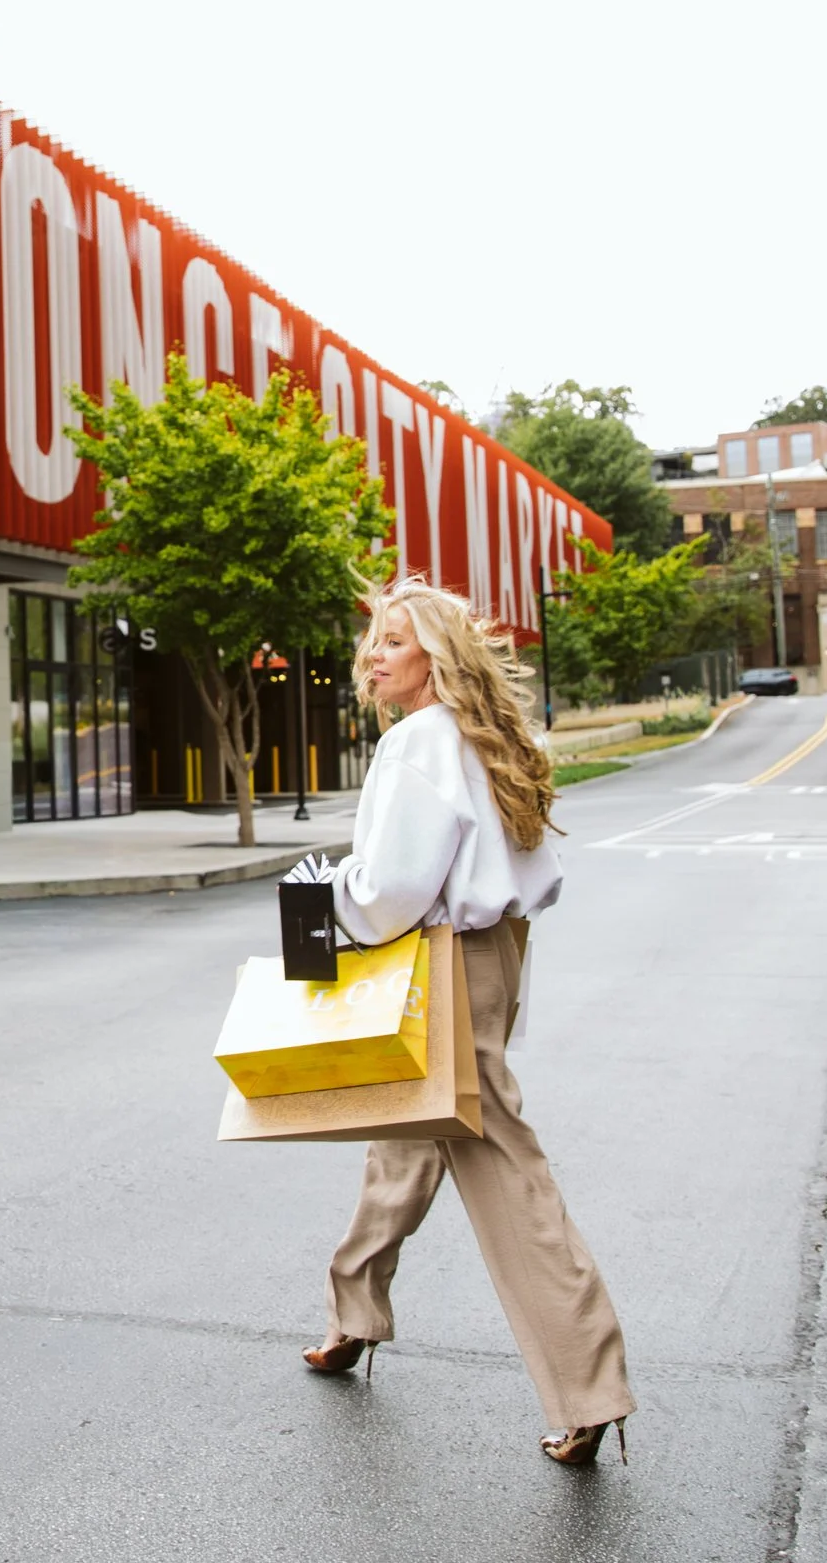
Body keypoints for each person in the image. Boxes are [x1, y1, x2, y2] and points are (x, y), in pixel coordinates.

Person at [299, 578, 635, 1467]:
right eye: (375, 638)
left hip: (440, 960)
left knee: (501, 1167)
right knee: (405, 1139)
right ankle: (352, 1315)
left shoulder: (418, 744)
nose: (377, 654)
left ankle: (588, 1385)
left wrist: (323, 898)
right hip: (490, 956)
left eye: (396, 642)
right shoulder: (488, 739)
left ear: (435, 658)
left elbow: (391, 894)